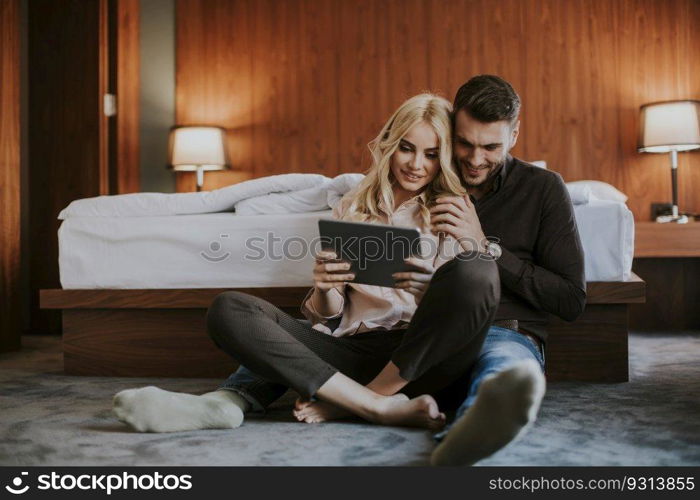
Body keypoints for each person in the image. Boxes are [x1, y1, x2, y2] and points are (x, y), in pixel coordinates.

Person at [112, 93, 501, 434]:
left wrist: (429, 290)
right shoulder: (352, 207)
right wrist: (324, 288)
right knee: (230, 309)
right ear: (388, 145)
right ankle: (369, 406)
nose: (416, 164)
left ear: (445, 158)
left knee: (474, 271)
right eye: (406, 148)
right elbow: (327, 319)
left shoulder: (452, 210)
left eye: (431, 154)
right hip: (353, 351)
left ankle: (339, 399)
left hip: (418, 361)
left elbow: (466, 301)